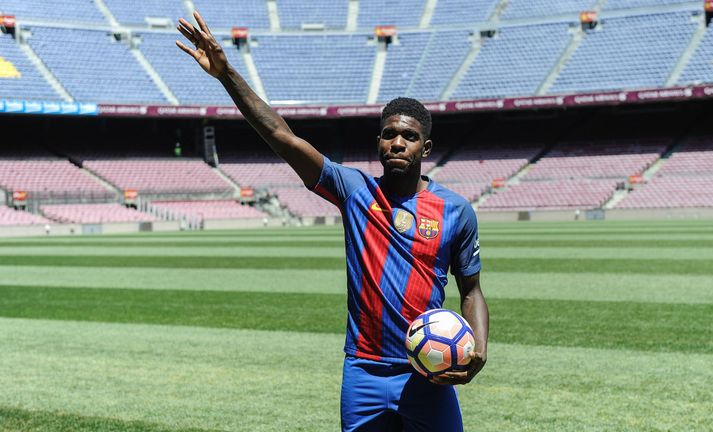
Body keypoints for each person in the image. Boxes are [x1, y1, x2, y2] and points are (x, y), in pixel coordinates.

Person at [176, 12, 489, 431]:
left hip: (427, 373)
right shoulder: (355, 191)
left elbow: (472, 290)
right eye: (388, 133)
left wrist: (479, 348)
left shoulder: (455, 211)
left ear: (425, 147)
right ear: (377, 140)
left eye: (409, 136)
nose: (397, 142)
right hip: (363, 371)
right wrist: (226, 73)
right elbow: (283, 137)